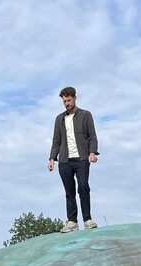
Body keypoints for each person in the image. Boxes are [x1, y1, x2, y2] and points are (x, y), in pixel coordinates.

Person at [48, 86, 100, 233]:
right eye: (64, 101)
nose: (67, 104)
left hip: (82, 158)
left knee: (83, 187)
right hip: (64, 160)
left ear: (75, 98)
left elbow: (92, 136)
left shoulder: (86, 115)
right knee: (69, 191)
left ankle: (87, 220)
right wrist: (52, 158)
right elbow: (56, 141)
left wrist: (92, 152)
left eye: (69, 100)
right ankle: (72, 222)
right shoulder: (59, 119)